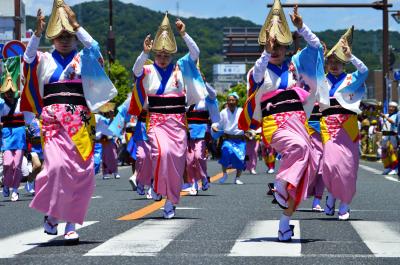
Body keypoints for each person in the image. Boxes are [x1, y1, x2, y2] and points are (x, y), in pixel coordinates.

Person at [22, 0, 116, 243]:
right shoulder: (43, 59)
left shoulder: (85, 59)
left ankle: (71, 223)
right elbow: (27, 60)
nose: (64, 40)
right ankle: (53, 213)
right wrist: (37, 34)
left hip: (81, 122)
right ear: (52, 39)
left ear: (75, 38)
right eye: (59, 36)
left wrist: (76, 23)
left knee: (82, 173)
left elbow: (94, 46)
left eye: (69, 36)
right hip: (53, 121)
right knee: (56, 168)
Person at [239, 0, 328, 241]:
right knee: (299, 149)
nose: (276, 48)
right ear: (265, 46)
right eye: (271, 45)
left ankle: (285, 221)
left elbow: (317, 48)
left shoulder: (295, 66)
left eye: (280, 45)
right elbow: (257, 75)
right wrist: (265, 53)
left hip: (299, 123)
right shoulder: (259, 70)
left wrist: (301, 27)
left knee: (307, 168)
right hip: (275, 125)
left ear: (287, 46)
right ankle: (279, 183)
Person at [130, 13, 206, 219]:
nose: (163, 59)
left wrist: (184, 34)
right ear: (155, 54)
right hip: (156, 121)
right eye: (159, 55)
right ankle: (157, 185)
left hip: (178, 122)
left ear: (172, 55)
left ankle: (171, 201)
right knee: (160, 154)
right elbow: (135, 70)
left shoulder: (181, 67)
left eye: (166, 55)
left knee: (176, 160)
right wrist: (144, 53)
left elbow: (195, 52)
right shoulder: (147, 70)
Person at [321, 26, 369, 220]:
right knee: (330, 165)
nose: (334, 65)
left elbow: (364, 71)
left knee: (348, 168)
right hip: (328, 125)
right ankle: (332, 194)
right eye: (330, 62)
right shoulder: (321, 80)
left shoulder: (351, 79)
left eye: (338, 62)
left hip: (348, 126)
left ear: (344, 64)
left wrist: (351, 56)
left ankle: (345, 204)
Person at [0, 67, 34, 202]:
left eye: (11, 91)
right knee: (8, 164)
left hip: (19, 135)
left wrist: (24, 82)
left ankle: (15, 190)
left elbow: (29, 94)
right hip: (7, 135)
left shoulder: (20, 102)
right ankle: (7, 185)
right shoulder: (1, 104)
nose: (9, 93)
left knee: (17, 164)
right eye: (6, 91)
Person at [185, 78, 219, 194]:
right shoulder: (186, 101)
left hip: (202, 133)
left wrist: (204, 82)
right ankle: (193, 183)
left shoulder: (205, 101)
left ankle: (204, 177)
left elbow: (213, 94)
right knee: (189, 161)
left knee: (199, 157)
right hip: (188, 134)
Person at [212, 92, 246, 185]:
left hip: (240, 140)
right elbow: (217, 123)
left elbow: (247, 123)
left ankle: (237, 178)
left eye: (233, 100)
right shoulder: (223, 112)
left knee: (240, 158)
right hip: (228, 139)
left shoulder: (242, 111)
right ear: (227, 102)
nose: (231, 102)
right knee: (225, 152)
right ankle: (224, 174)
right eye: (229, 100)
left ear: (237, 101)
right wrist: (214, 127)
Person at [379, 101, 398, 175]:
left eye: (392, 107)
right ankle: (388, 167)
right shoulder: (386, 115)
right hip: (385, 134)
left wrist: (385, 117)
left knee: (393, 151)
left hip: (393, 134)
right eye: (390, 107)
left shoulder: (397, 115)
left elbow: (393, 122)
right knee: (384, 151)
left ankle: (395, 168)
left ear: (395, 108)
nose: (390, 108)